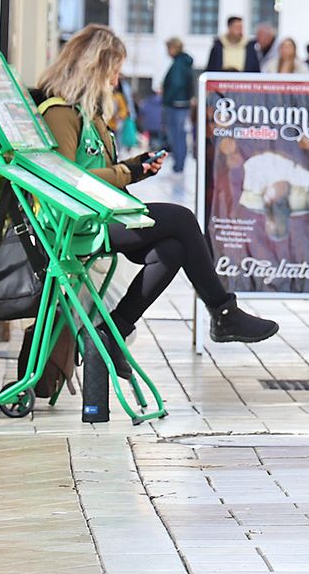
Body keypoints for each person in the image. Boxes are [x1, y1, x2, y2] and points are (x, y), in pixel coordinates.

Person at [36, 25, 279, 377]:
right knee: (181, 219)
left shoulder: (90, 113)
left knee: (172, 250)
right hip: (78, 223)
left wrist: (135, 169)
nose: (117, 78)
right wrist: (125, 172)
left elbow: (99, 171)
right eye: (115, 68)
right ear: (95, 67)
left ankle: (111, 332)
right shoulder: (61, 113)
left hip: (101, 213)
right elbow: (69, 180)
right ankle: (225, 314)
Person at [160, 37, 196, 174]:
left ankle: (178, 164)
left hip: (175, 104)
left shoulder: (178, 65)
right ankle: (179, 163)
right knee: (180, 135)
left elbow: (176, 84)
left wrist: (166, 99)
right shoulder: (184, 63)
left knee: (176, 135)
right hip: (183, 103)